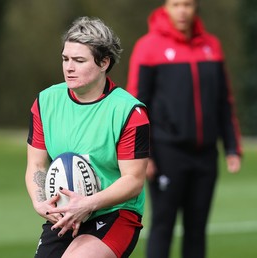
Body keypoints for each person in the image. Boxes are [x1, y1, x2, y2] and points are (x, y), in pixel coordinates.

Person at [25, 16, 150, 258]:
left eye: (79, 60)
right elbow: (36, 165)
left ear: (104, 62)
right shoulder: (46, 102)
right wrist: (40, 202)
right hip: (65, 212)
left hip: (115, 213)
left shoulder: (128, 111)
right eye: (65, 59)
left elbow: (133, 180)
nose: (68, 67)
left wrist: (88, 204)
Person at [126, 0, 242, 258]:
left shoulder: (212, 46)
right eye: (176, 4)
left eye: (188, 4)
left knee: (197, 230)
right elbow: (137, 107)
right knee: (163, 226)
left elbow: (224, 101)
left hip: (205, 155)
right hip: (167, 153)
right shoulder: (148, 47)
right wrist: (145, 154)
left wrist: (232, 146)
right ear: (166, 7)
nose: (182, 10)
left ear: (195, 8)